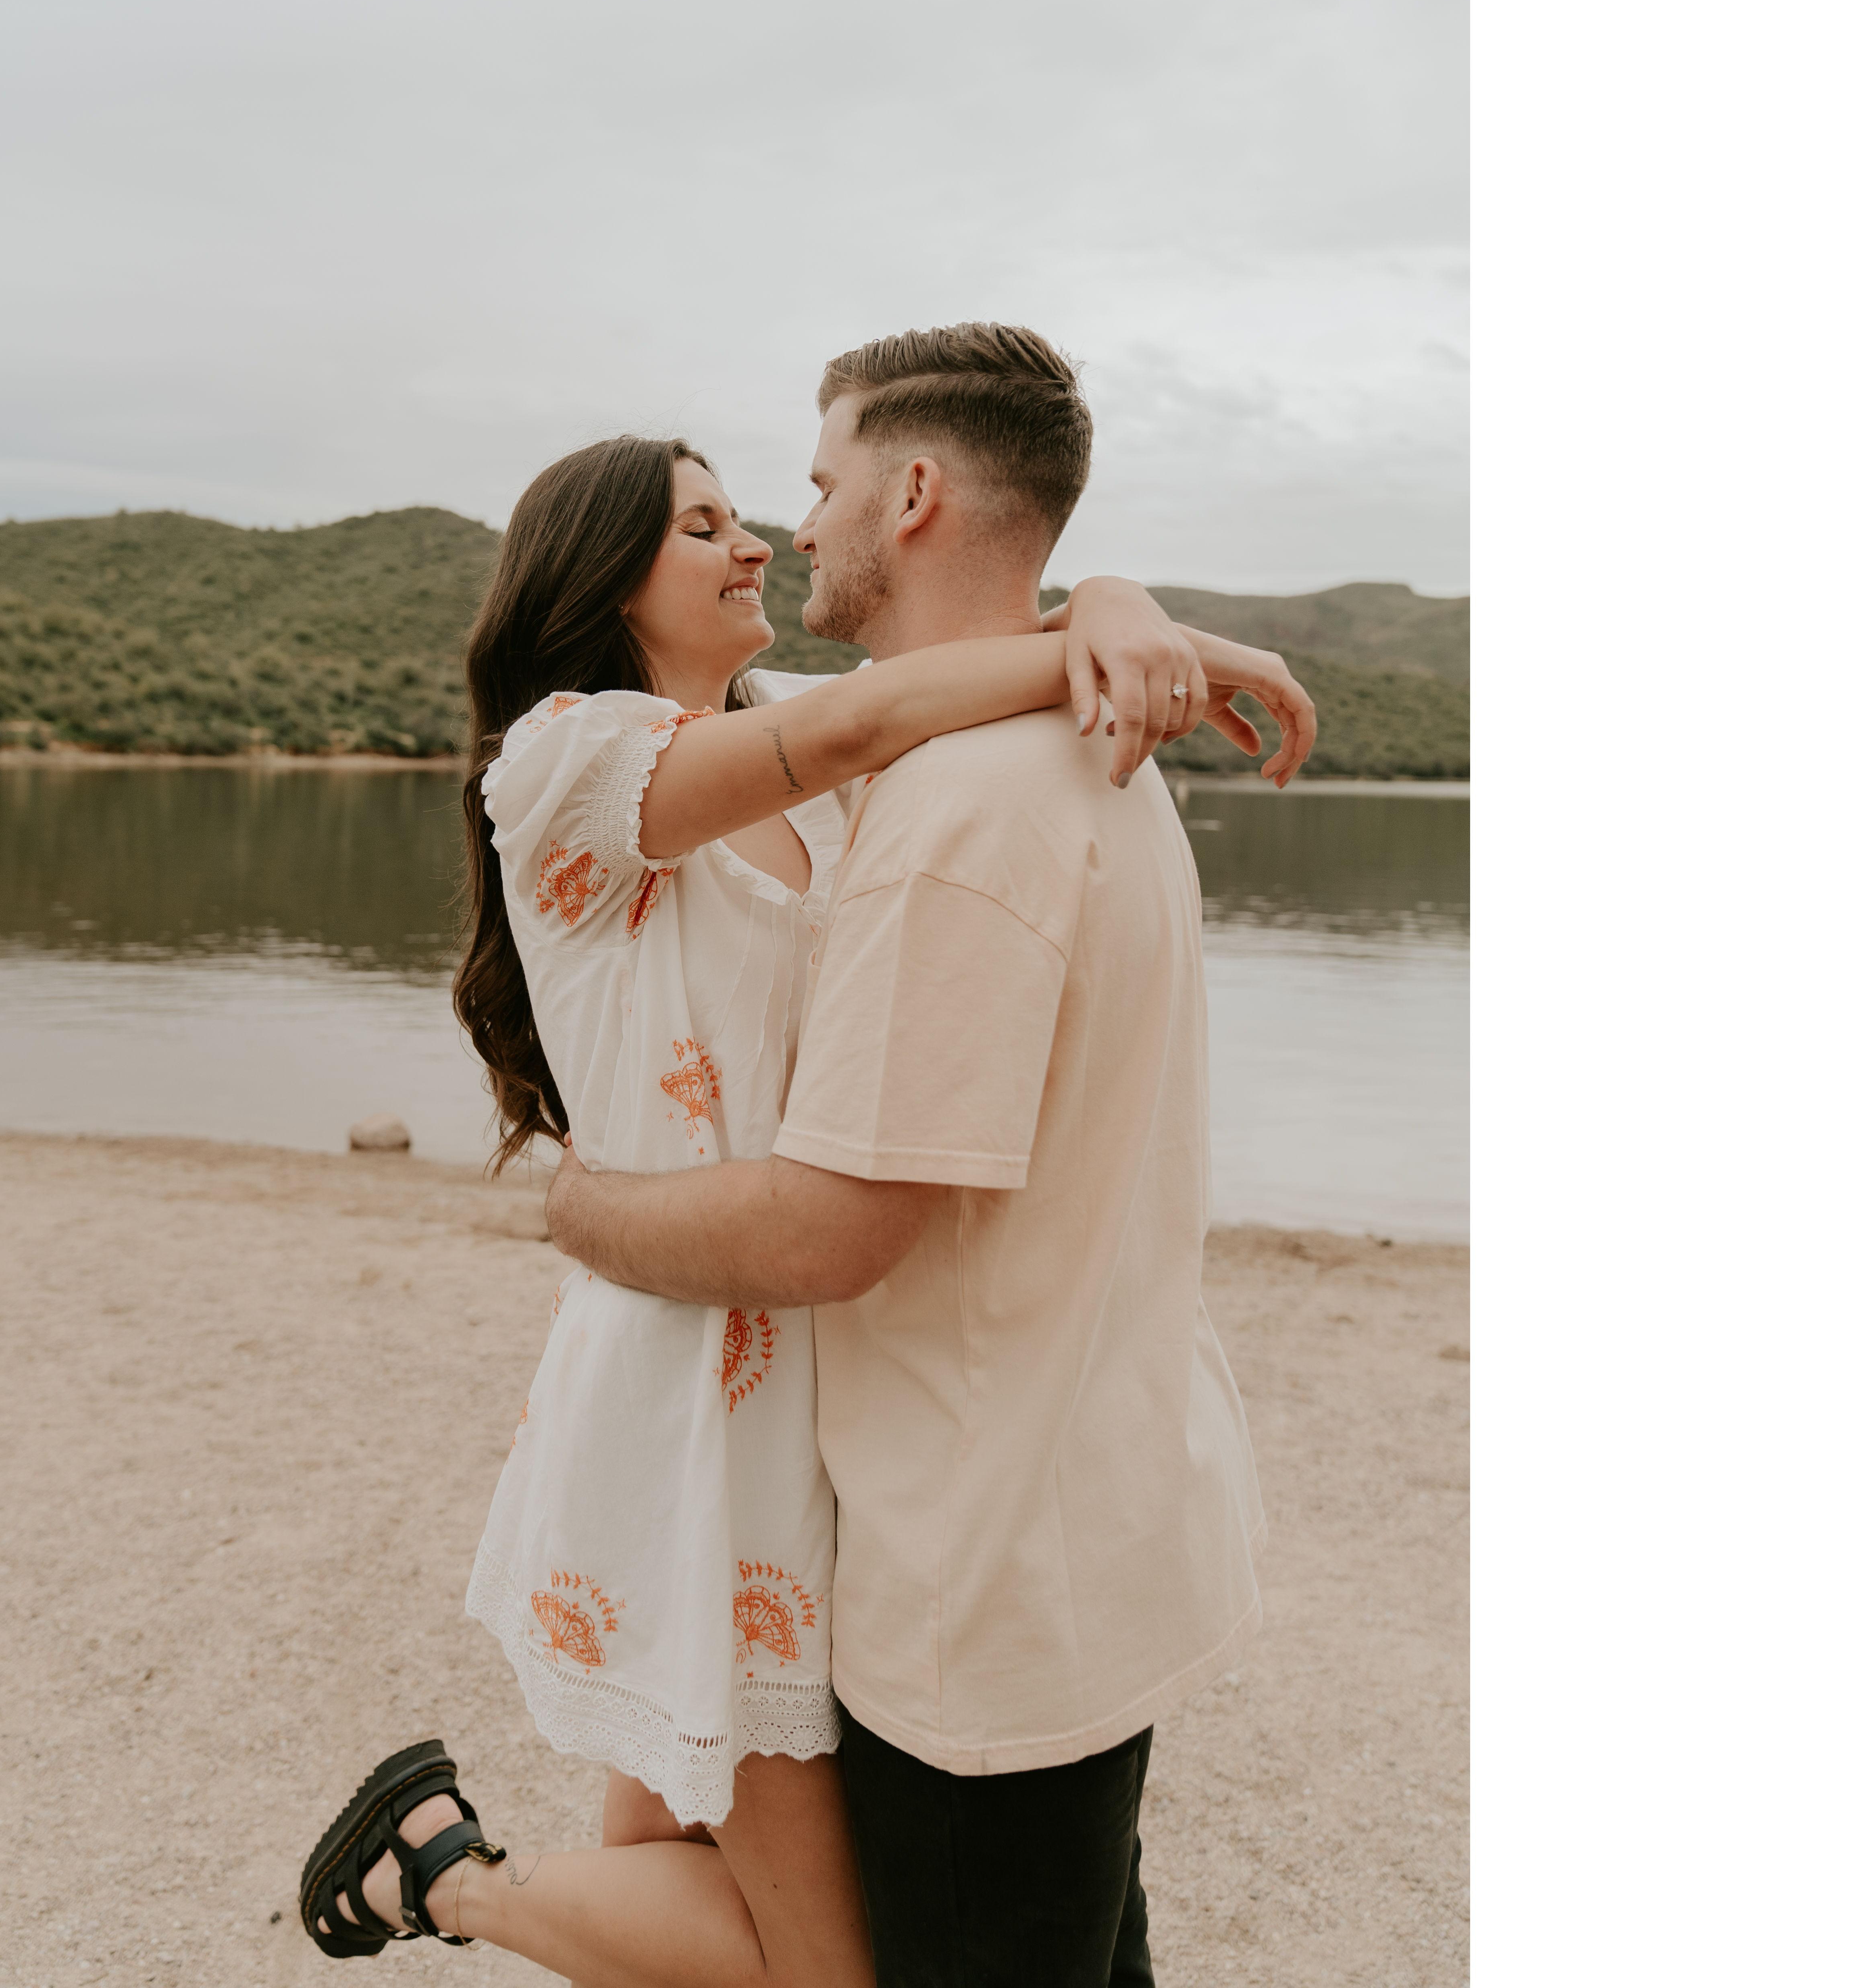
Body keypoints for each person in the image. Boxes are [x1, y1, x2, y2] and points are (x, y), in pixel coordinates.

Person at [298, 339, 1310, 1984]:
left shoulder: (832, 770)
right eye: (702, 526)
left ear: (910, 495)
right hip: (703, 1376)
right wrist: (1128, 624)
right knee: (818, 1962)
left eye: (776, 501)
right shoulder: (567, 757)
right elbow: (883, 708)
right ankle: (443, 1873)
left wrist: (1107, 601)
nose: (762, 535)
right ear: (599, 577)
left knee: (681, 1851)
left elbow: (901, 708)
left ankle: (443, 1865)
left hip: (812, 1386)